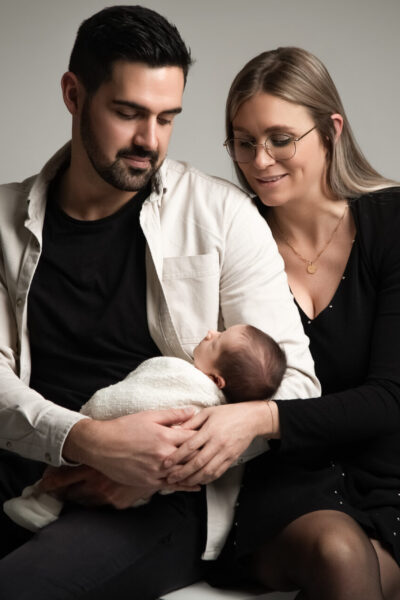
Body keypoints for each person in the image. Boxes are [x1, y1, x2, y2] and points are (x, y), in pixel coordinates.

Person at [0, 7, 319, 598]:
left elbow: (295, 382)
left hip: (155, 505)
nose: (150, 140)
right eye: (128, 113)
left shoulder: (221, 214)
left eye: (167, 118)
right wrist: (86, 442)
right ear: (74, 94)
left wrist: (157, 468)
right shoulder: (2, 221)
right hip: (24, 467)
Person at [176, 46, 400, 599]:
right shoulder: (234, 238)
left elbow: (392, 396)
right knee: (338, 552)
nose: (260, 161)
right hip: (284, 485)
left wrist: (261, 416)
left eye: (280, 138)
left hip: (385, 478)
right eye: (244, 142)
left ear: (331, 131)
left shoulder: (391, 223)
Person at [4, 324, 286, 536]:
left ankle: (42, 500)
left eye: (218, 340)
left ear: (215, 380)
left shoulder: (189, 385)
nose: (211, 332)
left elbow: (139, 394)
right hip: (54, 437)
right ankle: (45, 501)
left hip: (148, 488)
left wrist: (152, 470)